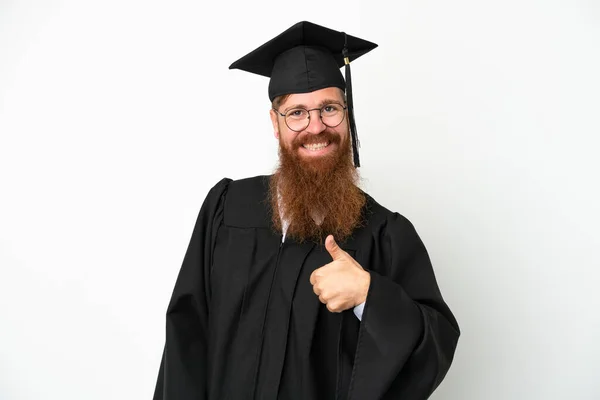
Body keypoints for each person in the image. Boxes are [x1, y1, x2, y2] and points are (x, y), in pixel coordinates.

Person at [153, 21, 460, 400]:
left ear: (347, 116)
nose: (316, 127)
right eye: (296, 113)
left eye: (329, 108)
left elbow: (435, 346)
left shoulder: (385, 234)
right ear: (275, 123)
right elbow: (185, 338)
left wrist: (369, 295)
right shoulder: (226, 208)